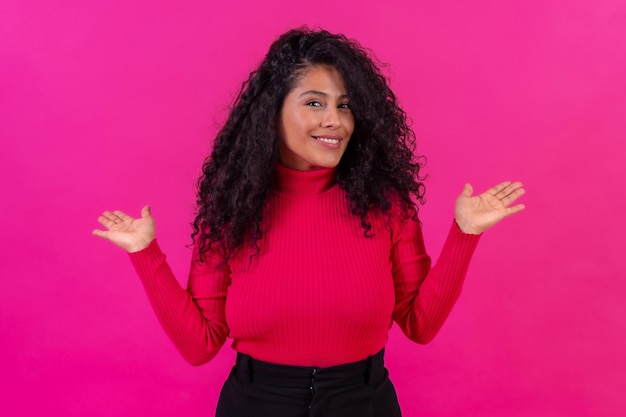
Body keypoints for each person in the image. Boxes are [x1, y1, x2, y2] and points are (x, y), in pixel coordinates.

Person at [93, 27, 525, 417]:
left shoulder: (386, 206)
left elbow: (420, 324)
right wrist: (143, 252)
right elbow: (199, 344)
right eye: (314, 102)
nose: (334, 120)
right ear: (272, 113)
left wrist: (465, 233)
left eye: (345, 105)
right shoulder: (230, 214)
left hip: (364, 401)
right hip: (256, 403)